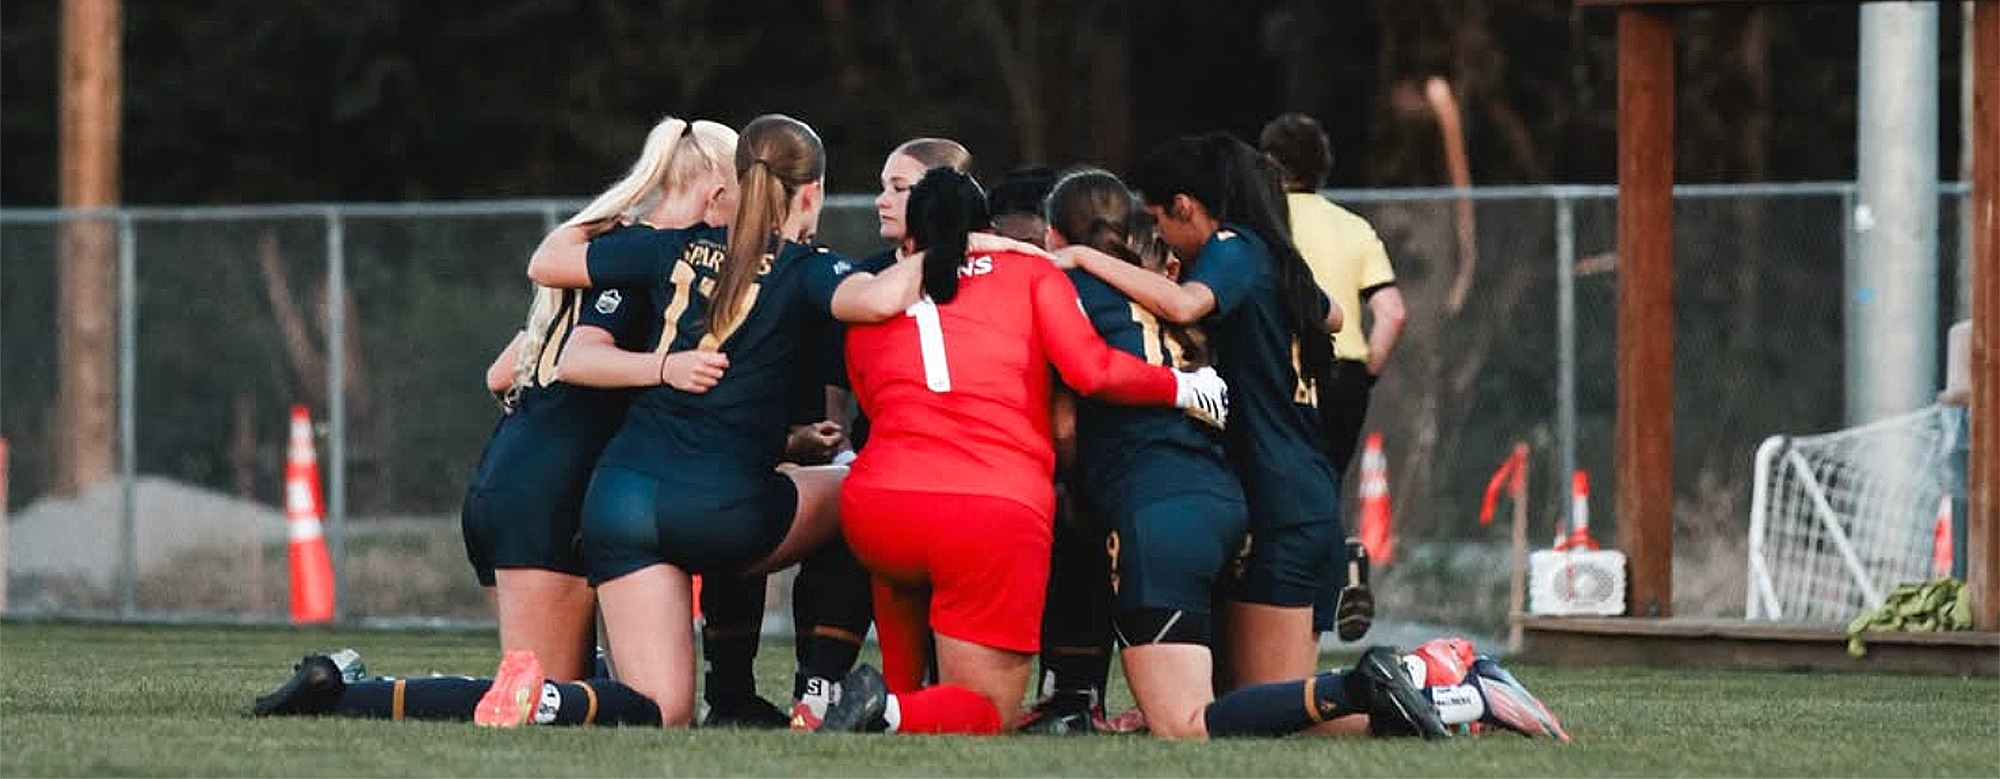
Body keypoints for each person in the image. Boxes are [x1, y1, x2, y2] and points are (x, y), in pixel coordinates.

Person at [1045, 169, 1565, 741]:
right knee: (1260, 712)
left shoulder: (1078, 286)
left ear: (1055, 236)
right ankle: (1459, 699)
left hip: (1159, 511)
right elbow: (1333, 315)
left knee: (1185, 722)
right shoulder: (1188, 285)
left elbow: (1068, 419)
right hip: (1230, 502)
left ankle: (1383, 678)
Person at [251, 116, 739, 726]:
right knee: (536, 697)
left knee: (584, 695)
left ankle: (348, 689)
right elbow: (575, 358)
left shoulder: (608, 250)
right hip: (548, 491)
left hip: (520, 468)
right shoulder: (652, 264)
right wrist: (662, 370)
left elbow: (500, 373)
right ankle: (342, 694)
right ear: (717, 193)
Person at [499, 113, 929, 728]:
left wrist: (631, 198)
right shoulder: (805, 267)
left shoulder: (668, 245)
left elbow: (547, 262)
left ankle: (544, 698)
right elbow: (881, 297)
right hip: (721, 510)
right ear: (811, 192)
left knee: (662, 709)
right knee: (860, 488)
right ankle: (819, 691)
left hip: (621, 500)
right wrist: (954, 240)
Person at [815, 167, 1230, 735]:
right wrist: (1180, 387)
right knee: (986, 711)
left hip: (880, 506)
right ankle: (889, 709)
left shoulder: (872, 296)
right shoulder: (1030, 274)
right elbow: (1090, 369)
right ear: (985, 230)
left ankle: (890, 697)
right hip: (989, 508)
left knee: (903, 598)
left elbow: (868, 397)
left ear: (910, 237)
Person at [1054, 133, 1344, 697]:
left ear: (1185, 206)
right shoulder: (1272, 260)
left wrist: (1085, 255)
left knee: (1273, 710)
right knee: (1254, 705)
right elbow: (1333, 317)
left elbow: (1185, 305)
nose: (1159, 239)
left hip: (1281, 500)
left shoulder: (1234, 247)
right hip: (1303, 485)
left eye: (1158, 220)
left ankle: (1451, 688)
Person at [1260, 112, 1406, 642]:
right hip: (1346, 374)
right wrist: (1366, 372)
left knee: (1278, 489)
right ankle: (1340, 567)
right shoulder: (1354, 227)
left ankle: (1286, 608)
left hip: (1284, 367)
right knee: (1325, 484)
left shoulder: (1264, 223)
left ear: (1269, 163)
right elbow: (1392, 312)